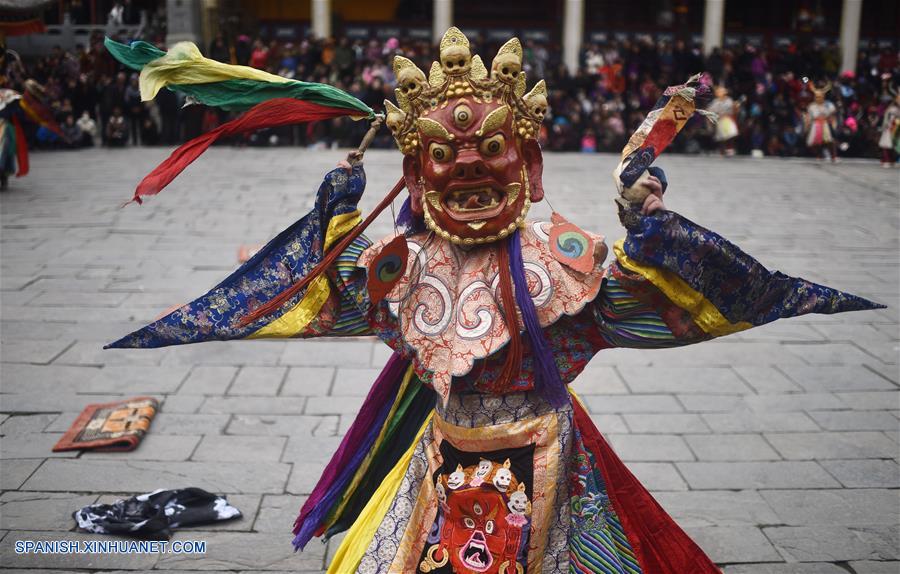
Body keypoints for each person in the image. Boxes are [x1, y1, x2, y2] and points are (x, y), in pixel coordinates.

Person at [105, 29, 882, 574]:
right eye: (442, 153)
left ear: (531, 163)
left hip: (549, 461)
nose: (467, 165)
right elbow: (314, 297)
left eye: (490, 146)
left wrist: (650, 232)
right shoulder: (398, 268)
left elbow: (667, 306)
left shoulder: (563, 265)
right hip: (441, 462)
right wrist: (332, 222)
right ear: (413, 175)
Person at [804, 81, 839, 162]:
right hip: (816, 125)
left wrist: (833, 123)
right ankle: (819, 155)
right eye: (817, 97)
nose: (818, 98)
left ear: (823, 96)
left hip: (826, 124)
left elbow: (833, 114)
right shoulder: (812, 106)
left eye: (820, 96)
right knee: (817, 142)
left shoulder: (828, 105)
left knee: (830, 141)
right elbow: (809, 117)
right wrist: (807, 125)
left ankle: (833, 155)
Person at [708, 85, 740, 155]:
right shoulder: (715, 102)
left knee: (731, 134)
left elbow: (734, 110)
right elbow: (710, 110)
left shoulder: (729, 100)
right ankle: (722, 150)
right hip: (720, 120)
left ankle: (730, 149)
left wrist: (736, 107)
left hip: (728, 119)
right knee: (721, 137)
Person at [878, 89, 900, 168]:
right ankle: (886, 160)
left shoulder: (896, 109)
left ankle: (892, 160)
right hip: (889, 128)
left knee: (894, 145)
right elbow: (888, 119)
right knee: (887, 144)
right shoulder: (891, 109)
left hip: (897, 129)